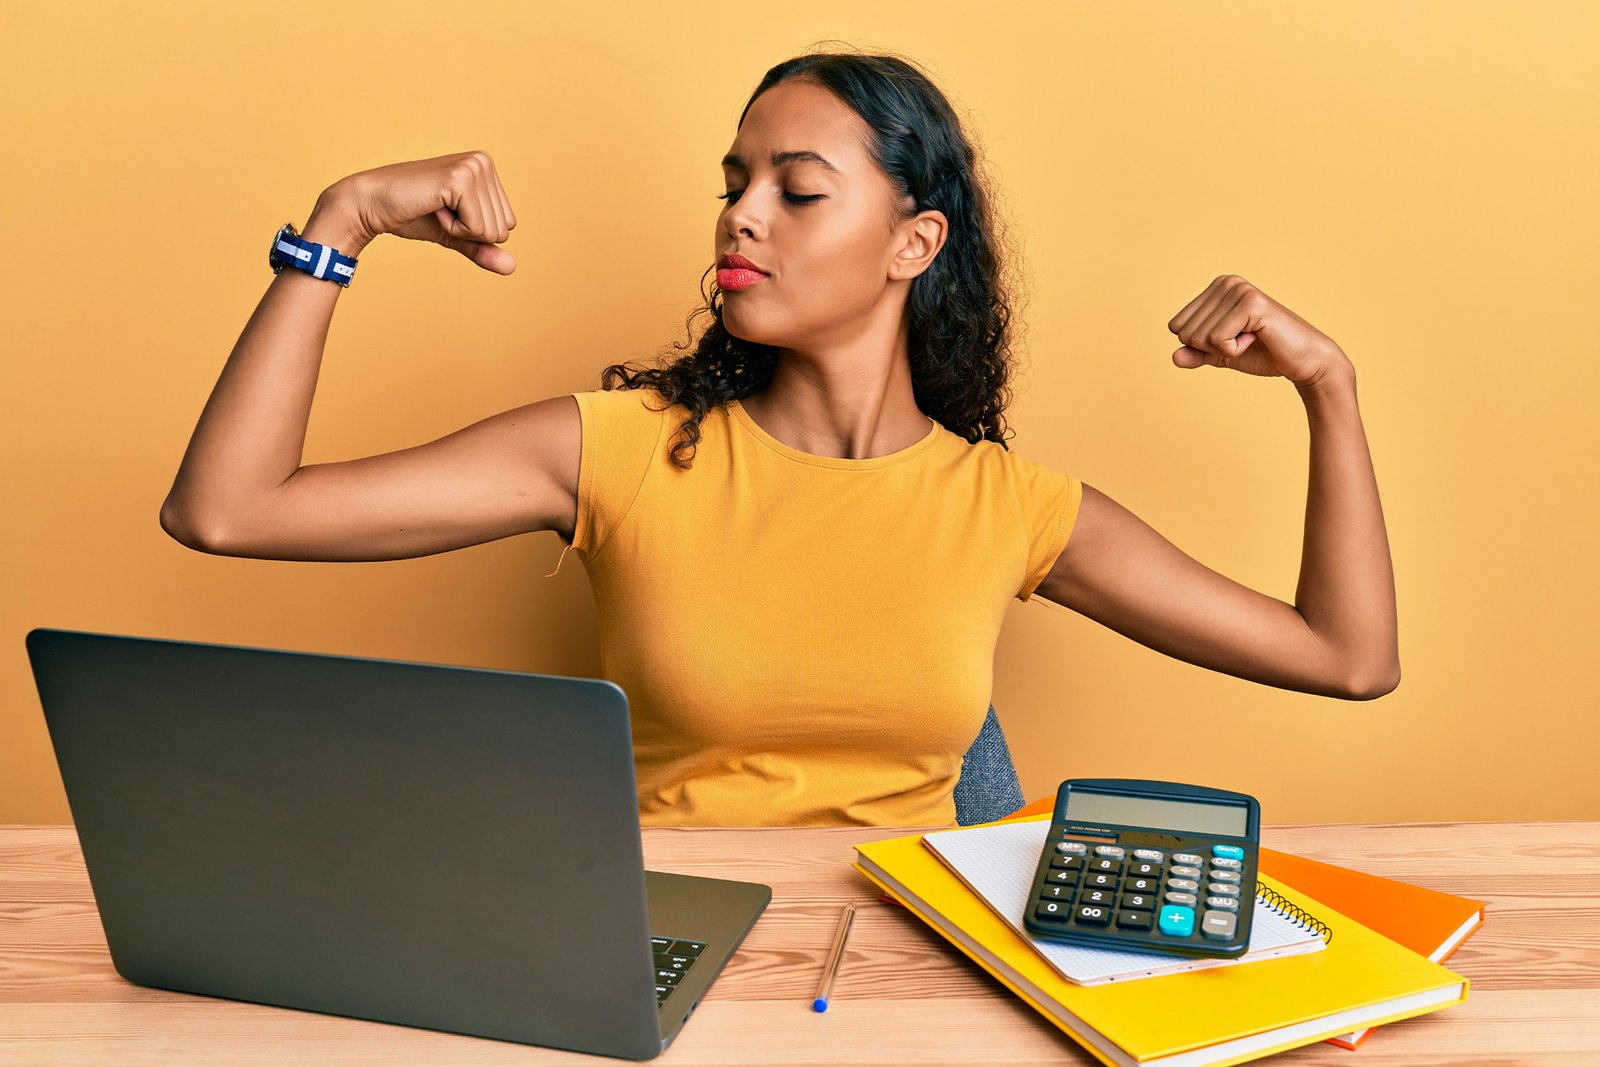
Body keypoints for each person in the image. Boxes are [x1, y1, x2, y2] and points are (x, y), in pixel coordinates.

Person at [160, 50, 1398, 828]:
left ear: (912, 244)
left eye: (796, 190)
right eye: (734, 181)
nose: (742, 215)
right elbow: (229, 509)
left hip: (916, 974)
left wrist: (1327, 389)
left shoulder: (1004, 505)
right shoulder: (619, 450)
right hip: (668, 956)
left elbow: (1344, 657)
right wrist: (343, 222)